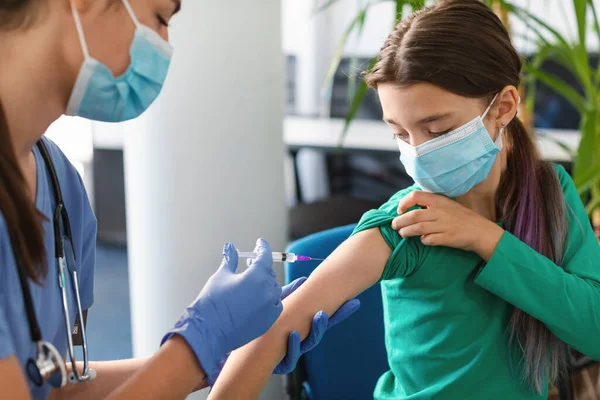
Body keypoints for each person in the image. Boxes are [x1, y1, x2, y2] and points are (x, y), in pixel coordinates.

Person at [207, 1, 600, 399]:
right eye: (400, 133)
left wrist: (486, 239)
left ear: (503, 107)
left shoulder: (550, 192)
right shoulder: (408, 223)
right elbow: (272, 332)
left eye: (437, 128)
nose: (417, 152)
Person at [0, 0, 360, 399]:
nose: (163, 46)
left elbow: (52, 389)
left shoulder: (58, 181)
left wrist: (219, 354)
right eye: (159, 18)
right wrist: (196, 347)